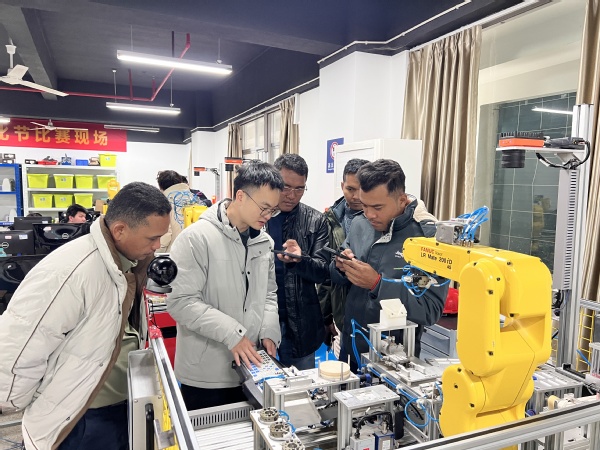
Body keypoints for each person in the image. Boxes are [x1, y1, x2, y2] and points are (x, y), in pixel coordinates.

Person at [0, 182, 171, 450]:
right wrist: (21, 404)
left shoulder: (129, 264)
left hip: (120, 406)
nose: (158, 246)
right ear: (120, 230)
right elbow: (20, 344)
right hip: (82, 417)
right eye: (152, 238)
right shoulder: (72, 271)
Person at [166, 161, 284, 410]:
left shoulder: (264, 242)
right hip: (207, 376)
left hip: (252, 369)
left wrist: (269, 332)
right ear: (240, 196)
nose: (268, 216)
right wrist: (233, 334)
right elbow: (181, 302)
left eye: (273, 210)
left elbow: (269, 294)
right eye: (264, 208)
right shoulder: (195, 239)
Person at [330, 159, 447, 372]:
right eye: (364, 205)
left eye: (377, 207)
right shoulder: (360, 224)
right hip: (352, 345)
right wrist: (340, 265)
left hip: (394, 360)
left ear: (401, 200)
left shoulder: (427, 240)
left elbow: (429, 308)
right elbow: (339, 272)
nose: (369, 214)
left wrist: (377, 284)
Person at [266, 154, 329, 370]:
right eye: (285, 187)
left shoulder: (316, 220)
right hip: (260, 321)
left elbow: (323, 272)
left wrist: (300, 261)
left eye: (299, 189)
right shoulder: (257, 218)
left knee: (301, 385)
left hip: (301, 324)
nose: (292, 195)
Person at [318, 158, 369, 350]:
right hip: (341, 315)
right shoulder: (329, 220)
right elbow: (324, 275)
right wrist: (326, 317)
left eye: (361, 189)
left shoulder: (380, 220)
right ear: (342, 186)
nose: (356, 196)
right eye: (350, 189)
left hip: (373, 316)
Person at [157, 170, 198, 253]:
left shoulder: (163, 204)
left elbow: (165, 236)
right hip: (196, 251)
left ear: (161, 187)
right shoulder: (195, 199)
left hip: (175, 253)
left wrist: (155, 254)